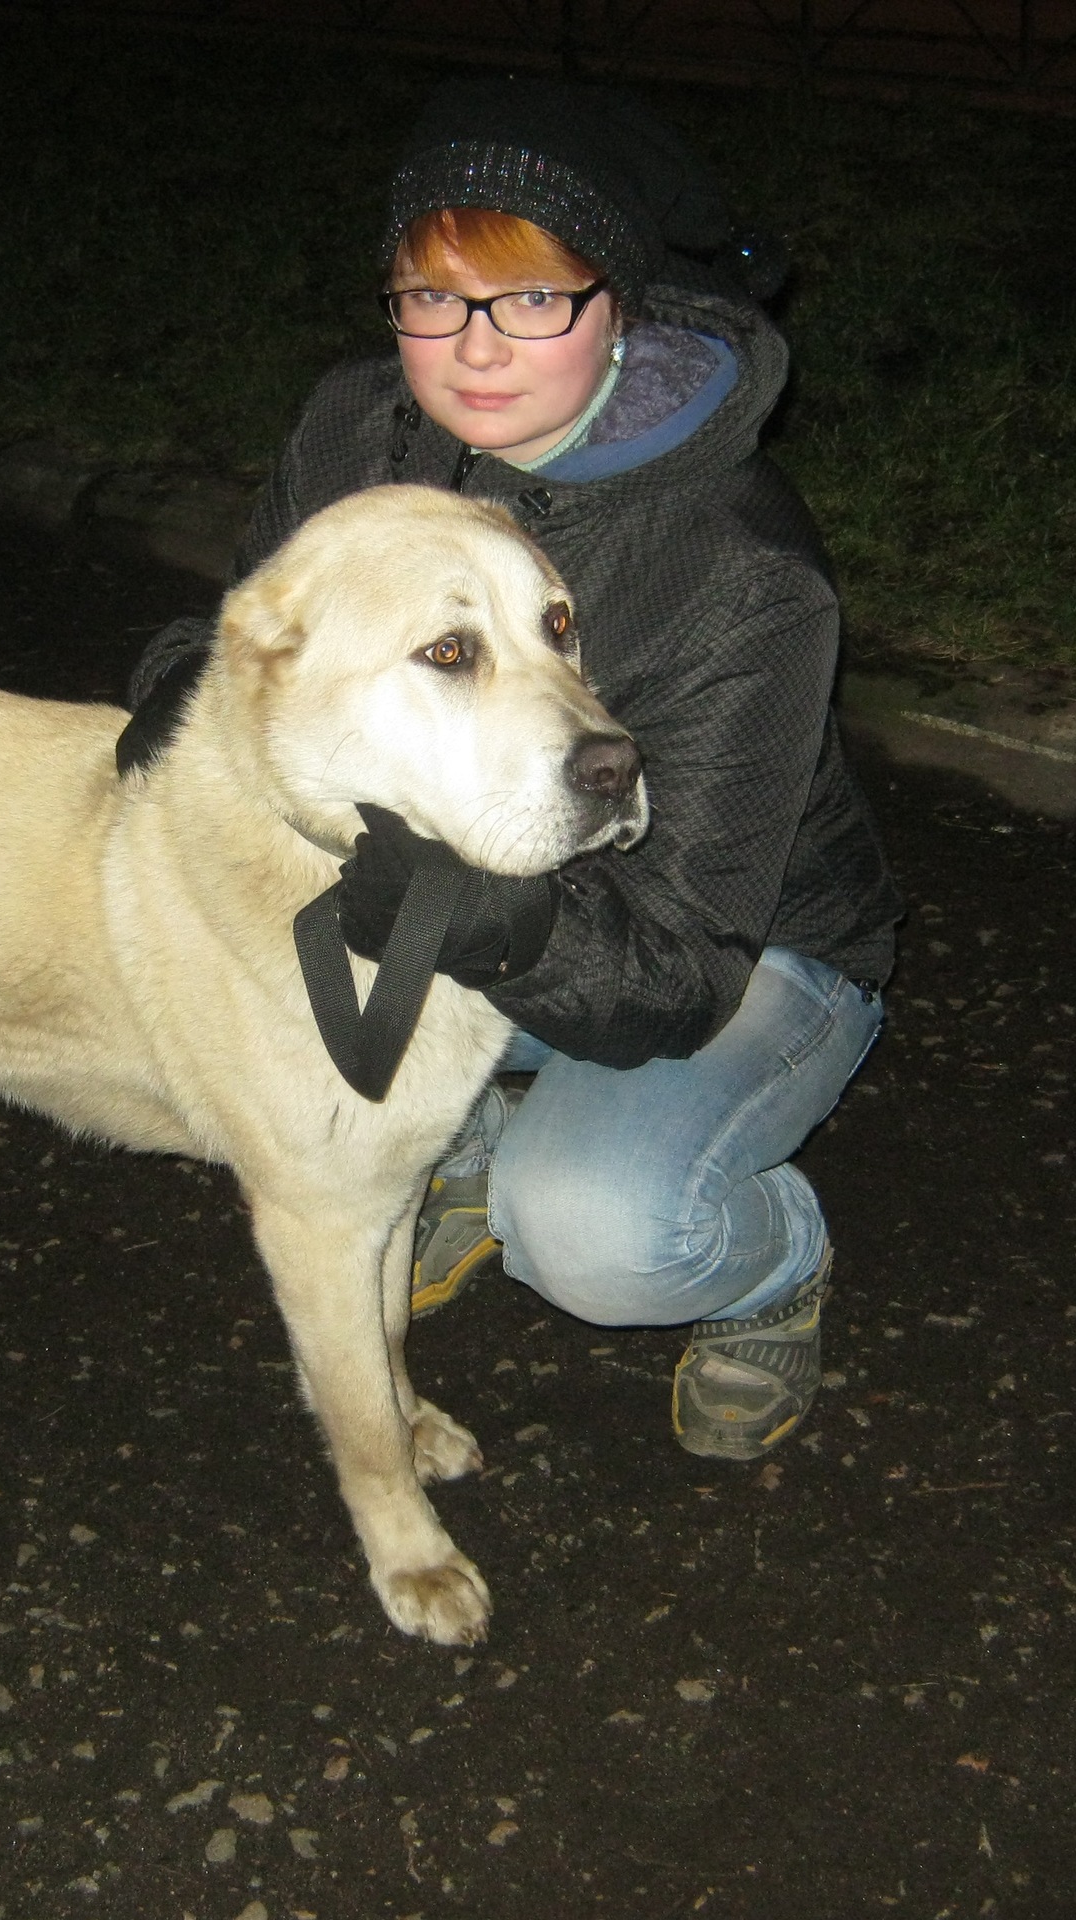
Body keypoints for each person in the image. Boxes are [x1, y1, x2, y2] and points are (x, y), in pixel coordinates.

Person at [123, 76, 902, 1461]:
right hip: (464, 879)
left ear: (622, 307)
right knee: (259, 990)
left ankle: (774, 1266)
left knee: (598, 1231)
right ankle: (463, 1132)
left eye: (534, 298)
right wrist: (182, 714)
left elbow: (678, 973)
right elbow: (242, 635)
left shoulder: (741, 570)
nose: (476, 349)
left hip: (735, 948)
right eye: (435, 298)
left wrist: (485, 922)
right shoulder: (357, 428)